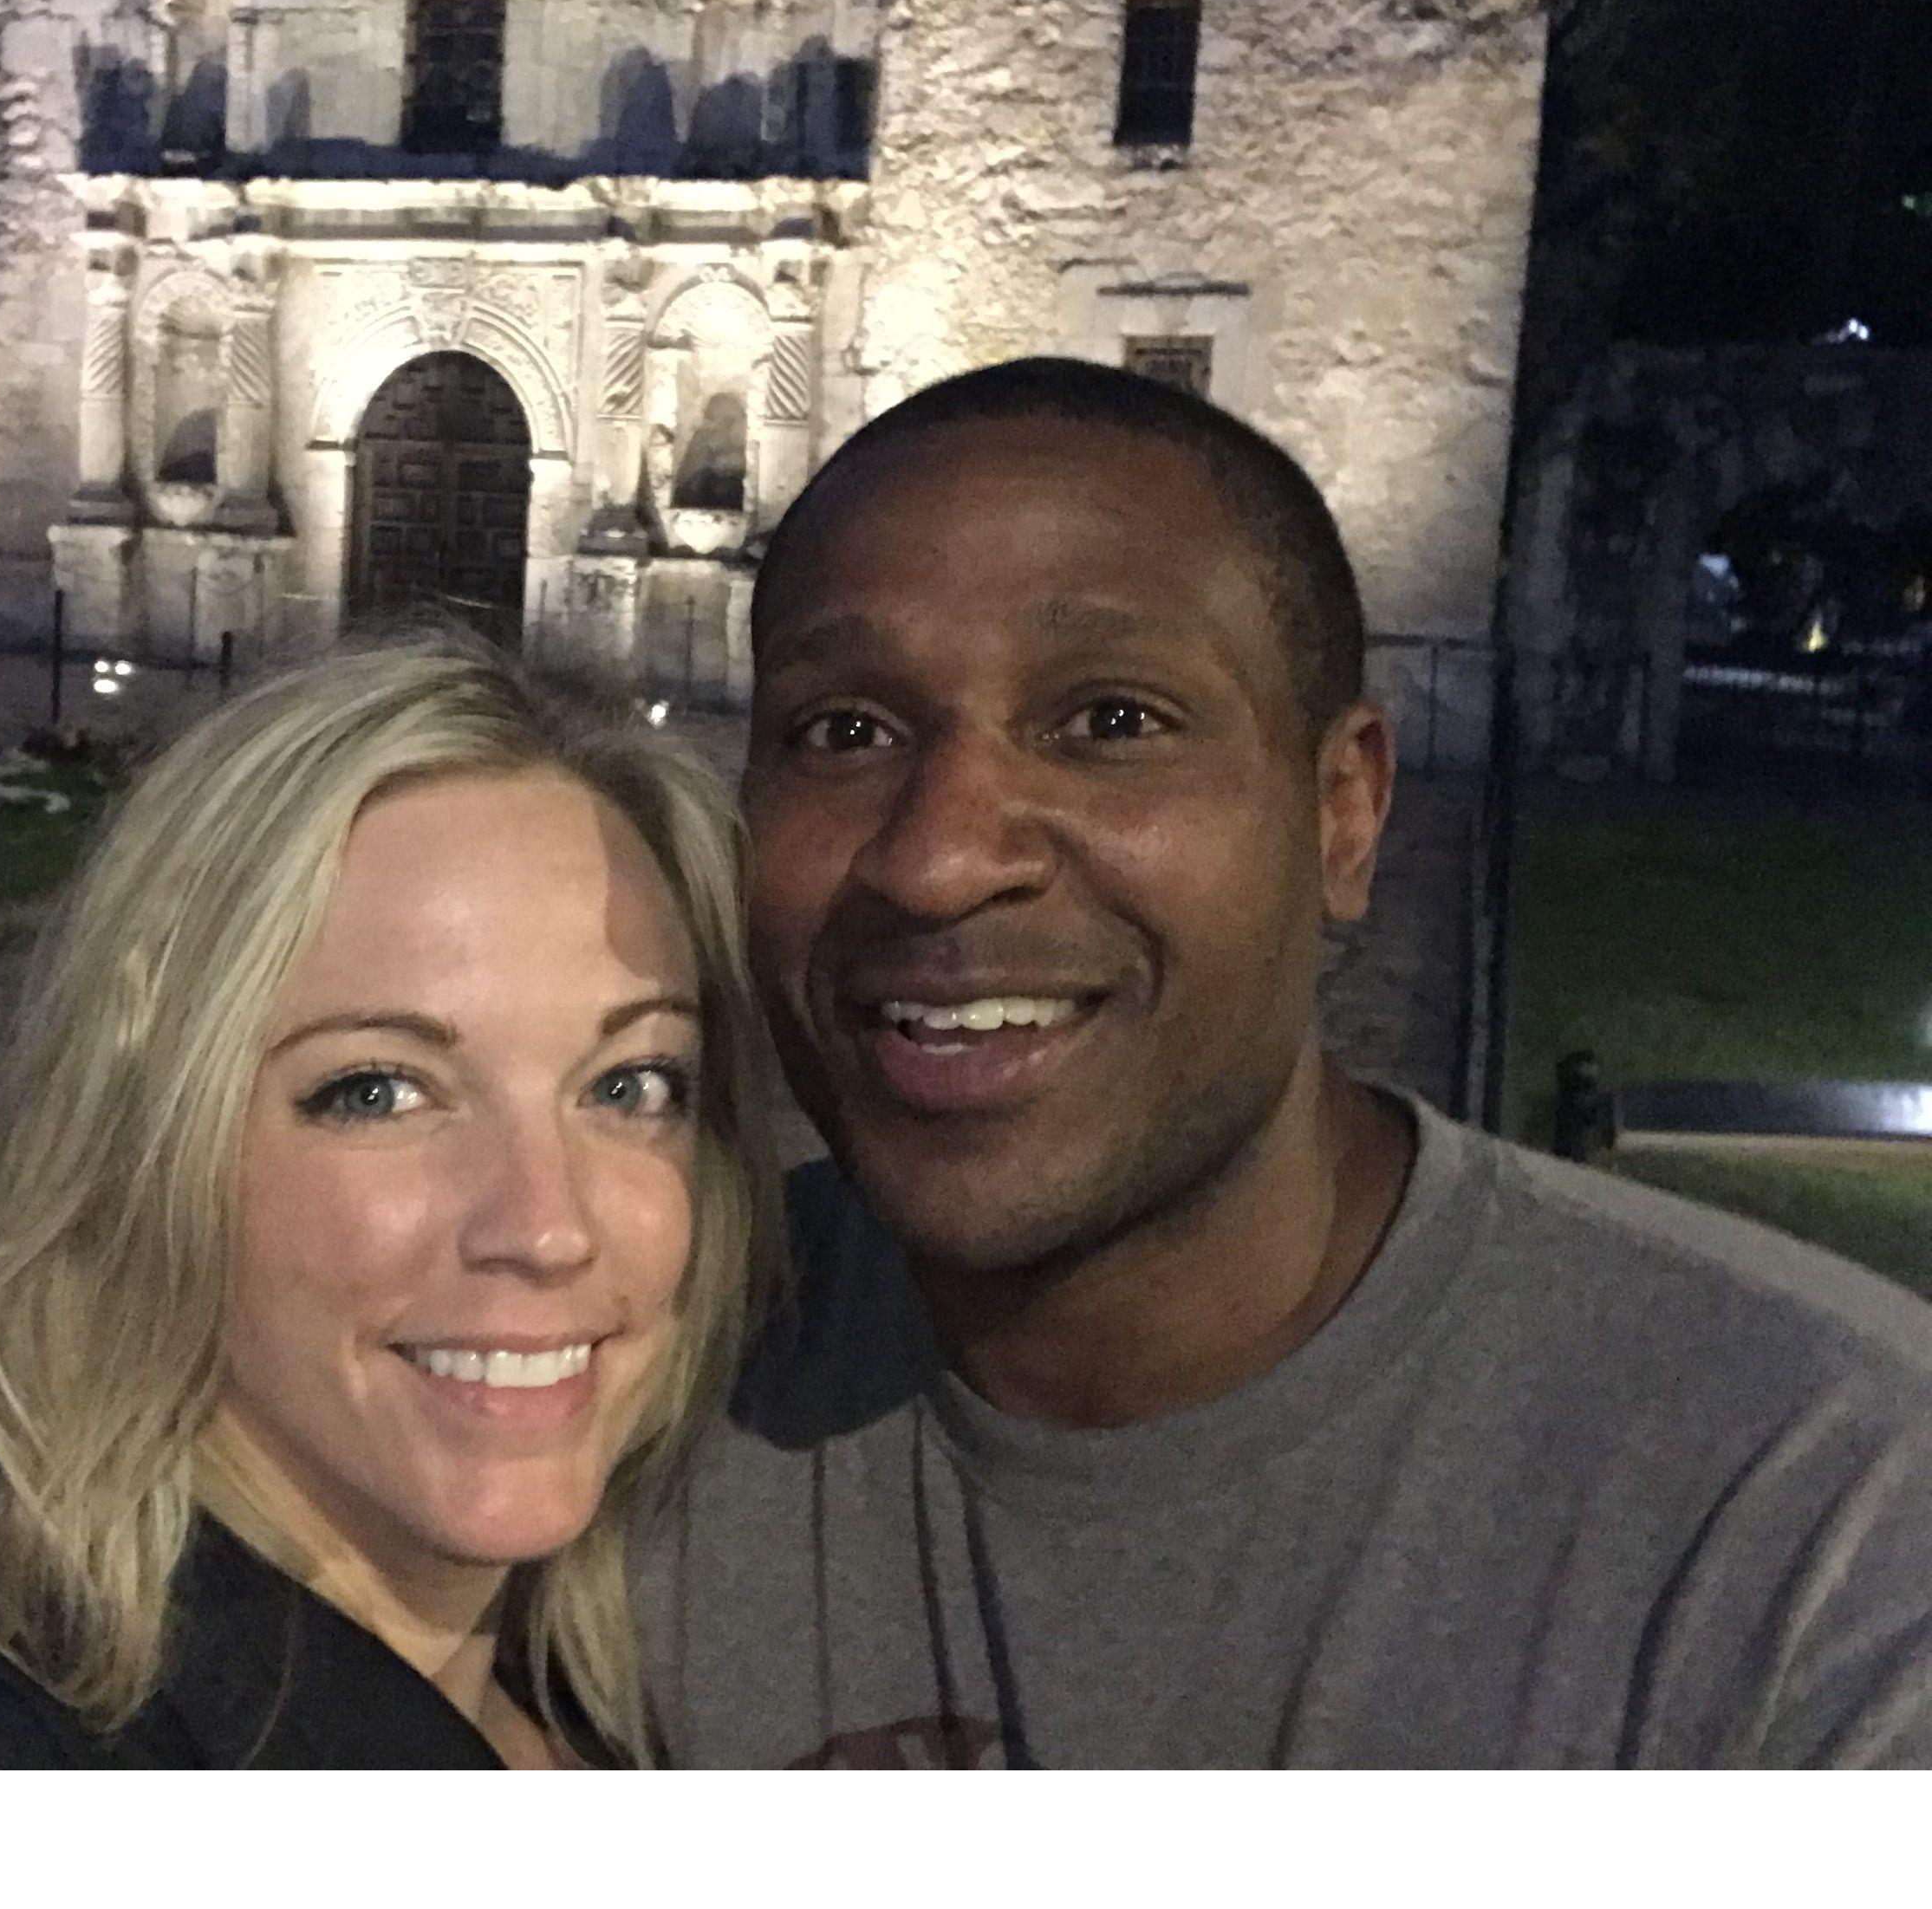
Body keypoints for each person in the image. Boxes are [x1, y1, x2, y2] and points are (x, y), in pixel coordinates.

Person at [636, 356, 1932, 1767]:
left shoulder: (1826, 1529)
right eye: (847, 732)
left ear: (1344, 817)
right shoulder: (602, 1394)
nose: (941, 860)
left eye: (1111, 722)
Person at [0, 640, 774, 1769]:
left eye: (631, 1083)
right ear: (152, 1150)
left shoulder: (597, 1708)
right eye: (377, 1089)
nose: (547, 1224)